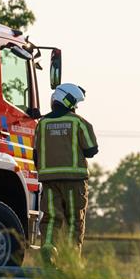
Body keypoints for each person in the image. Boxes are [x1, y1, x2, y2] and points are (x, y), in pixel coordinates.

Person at [34, 83, 98, 261]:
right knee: (74, 221)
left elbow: (35, 154)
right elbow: (92, 150)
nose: (75, 107)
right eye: (75, 103)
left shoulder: (42, 124)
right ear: (68, 100)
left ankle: (47, 246)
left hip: (49, 181)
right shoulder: (78, 122)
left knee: (51, 218)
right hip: (74, 181)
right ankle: (70, 259)